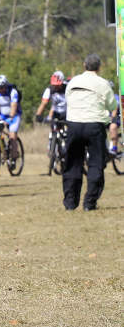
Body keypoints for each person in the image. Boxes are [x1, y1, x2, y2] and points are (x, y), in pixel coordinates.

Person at [63, 53, 118, 210]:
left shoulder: (73, 81)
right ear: (99, 67)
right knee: (96, 164)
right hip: (94, 125)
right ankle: (89, 202)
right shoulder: (103, 84)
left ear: (84, 66)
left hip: (73, 124)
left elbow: (68, 100)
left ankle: (70, 203)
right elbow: (112, 106)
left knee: (73, 163)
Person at [0, 75, 22, 159]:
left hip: (14, 115)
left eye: (2, 87)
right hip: (2, 114)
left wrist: (10, 118)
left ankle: (13, 157)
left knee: (12, 136)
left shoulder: (12, 92)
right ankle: (0, 142)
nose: (0, 89)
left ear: (6, 85)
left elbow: (14, 106)